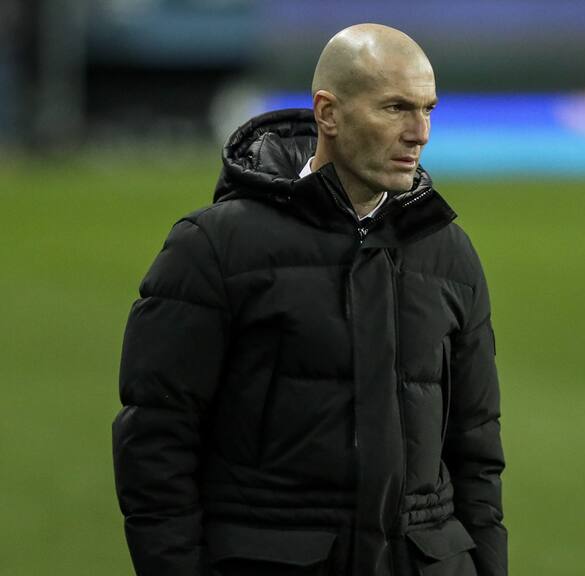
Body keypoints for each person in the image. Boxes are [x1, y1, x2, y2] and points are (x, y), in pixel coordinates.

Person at [113, 23, 506, 576]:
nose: (419, 133)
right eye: (395, 108)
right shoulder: (215, 247)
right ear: (328, 113)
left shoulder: (450, 255)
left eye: (427, 109)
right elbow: (156, 440)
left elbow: (477, 452)